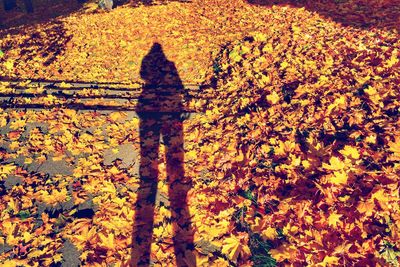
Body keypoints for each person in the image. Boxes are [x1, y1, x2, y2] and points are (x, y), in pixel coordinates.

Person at [131, 43, 194, 266]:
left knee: (150, 164)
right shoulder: (171, 66)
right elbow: (176, 84)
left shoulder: (156, 69)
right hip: (169, 109)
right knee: (173, 159)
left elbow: (142, 74)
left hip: (150, 109)